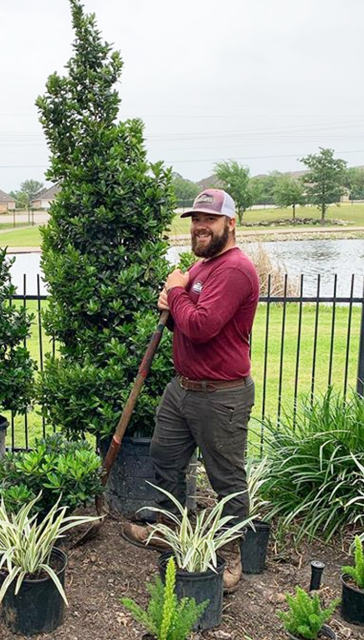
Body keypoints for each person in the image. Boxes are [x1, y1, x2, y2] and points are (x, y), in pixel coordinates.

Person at [123, 188, 259, 593]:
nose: (200, 226)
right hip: (182, 389)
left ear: (230, 224)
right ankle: (171, 527)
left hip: (221, 394)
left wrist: (176, 292)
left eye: (209, 219)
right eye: (196, 219)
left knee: (226, 478)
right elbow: (184, 322)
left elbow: (201, 327)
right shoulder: (201, 267)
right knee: (165, 457)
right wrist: (173, 302)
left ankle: (233, 555)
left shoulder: (234, 270)